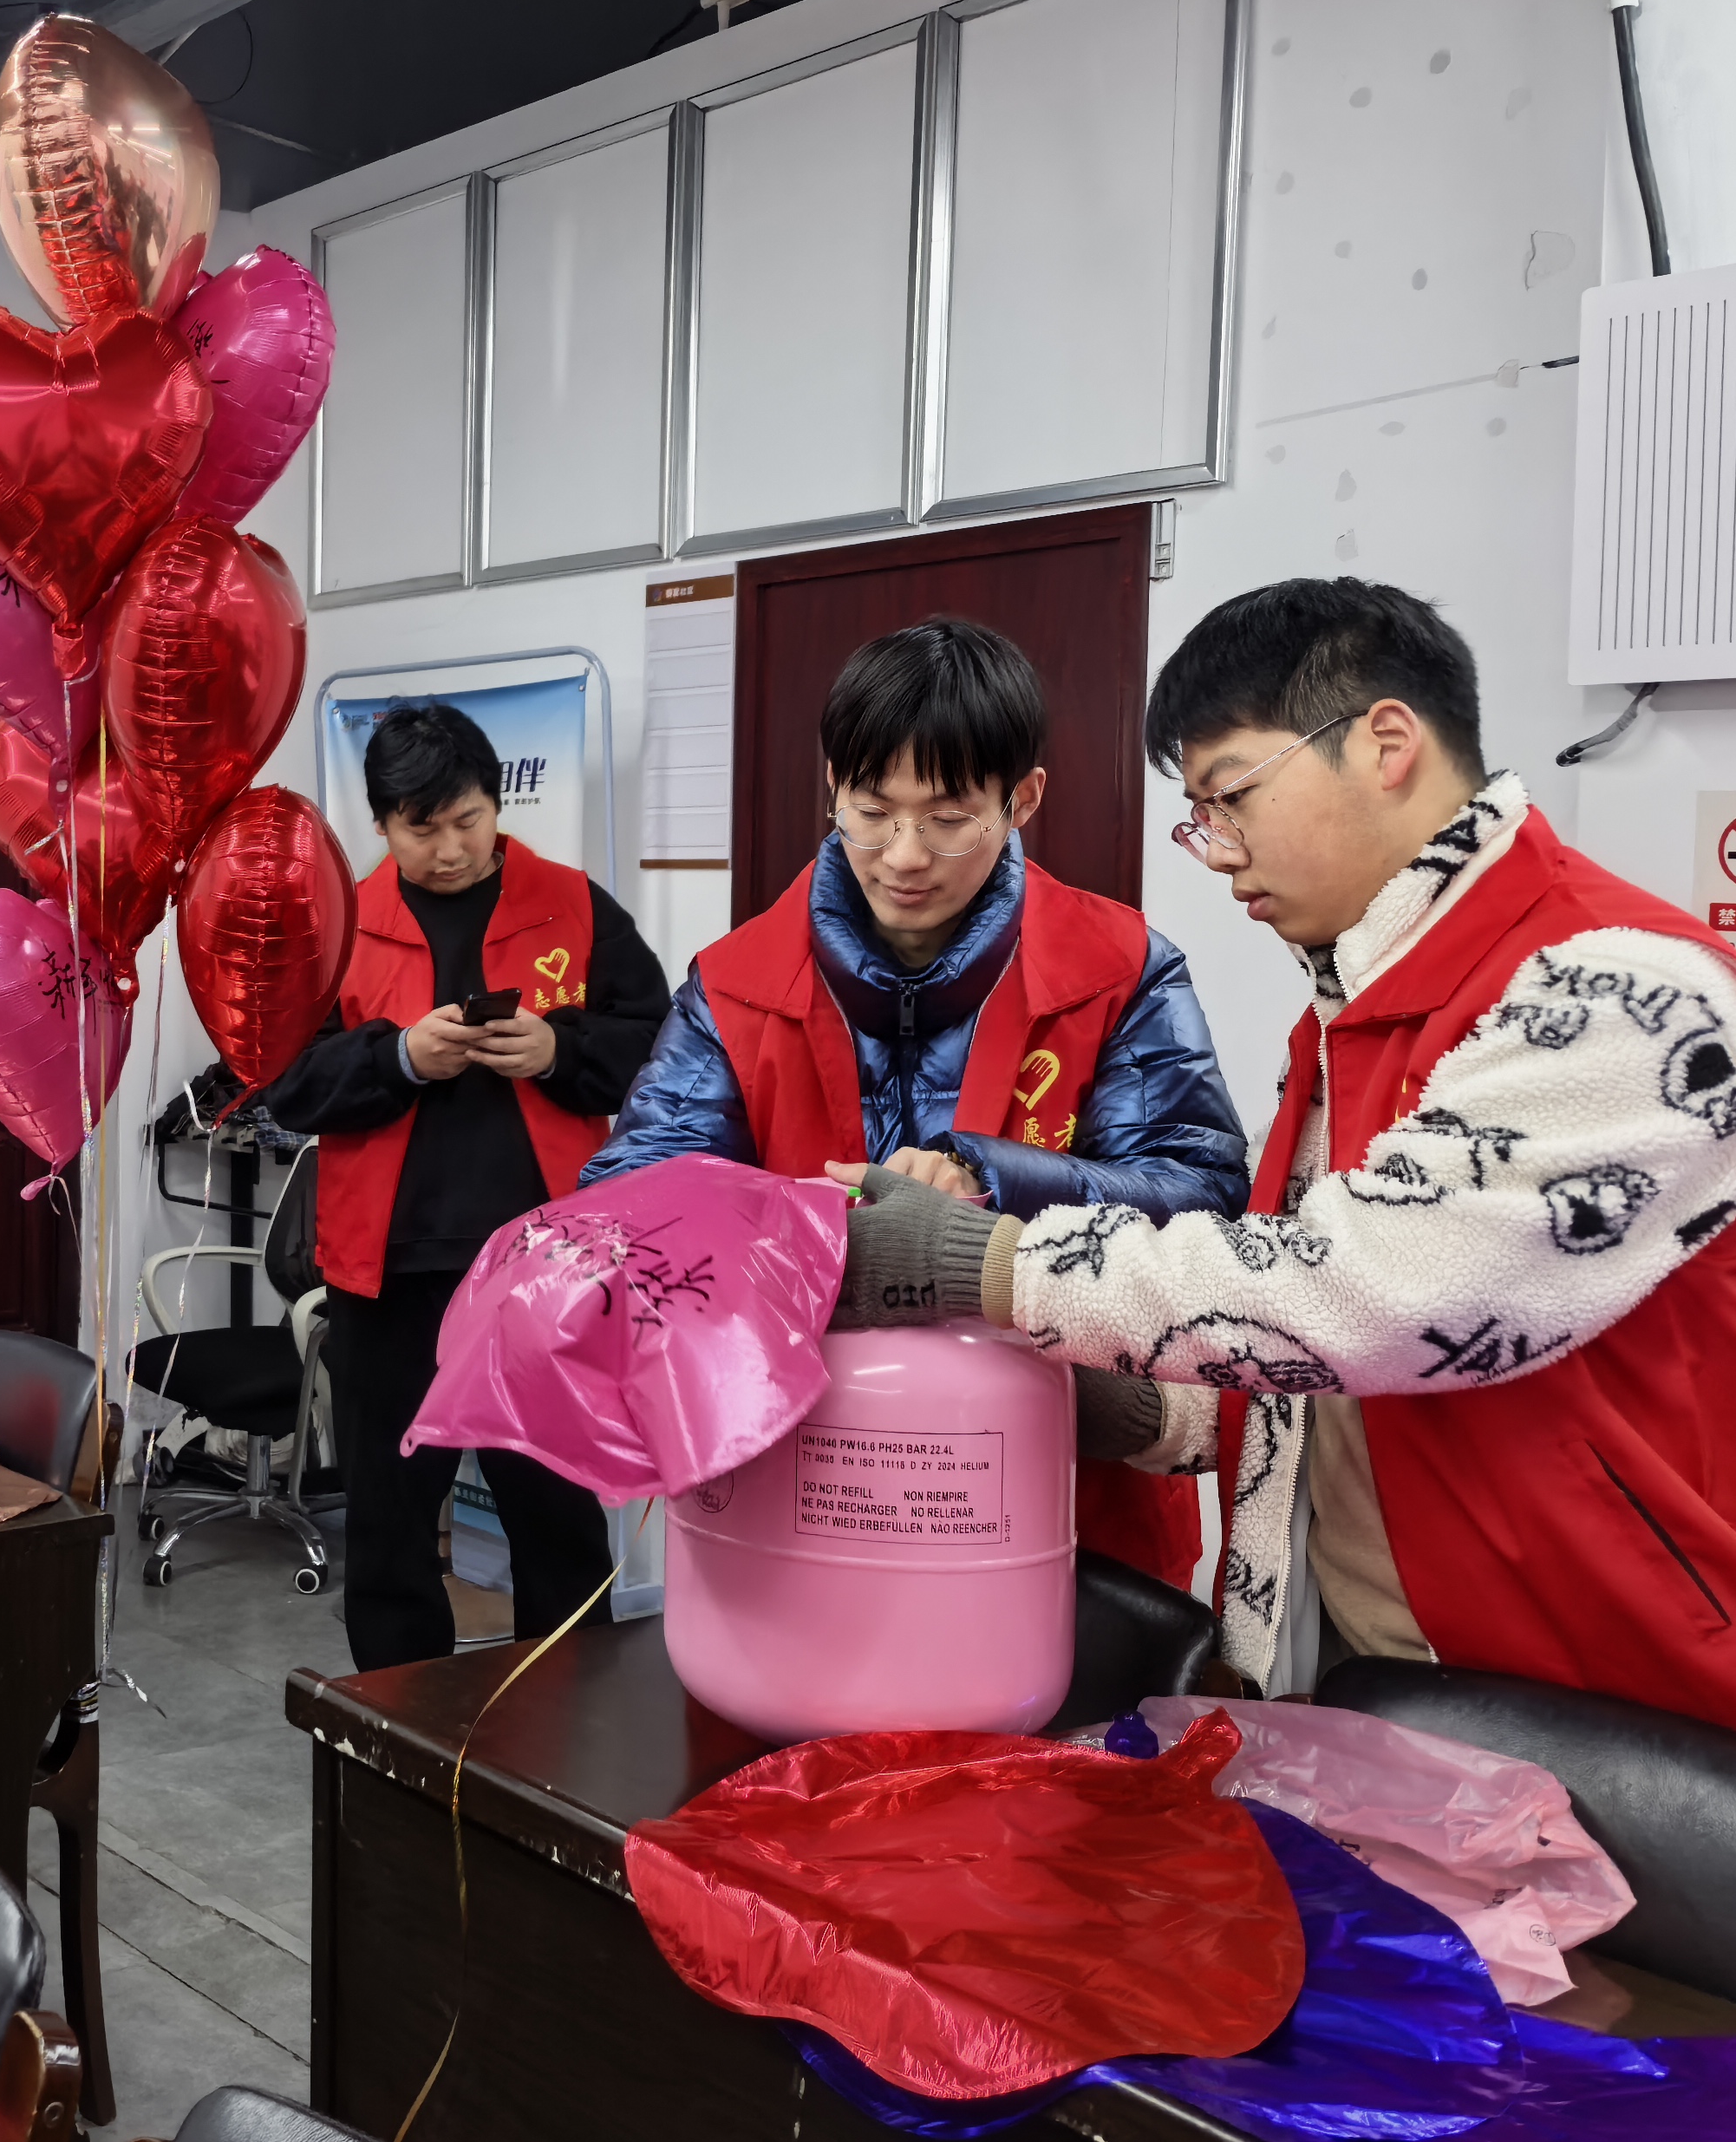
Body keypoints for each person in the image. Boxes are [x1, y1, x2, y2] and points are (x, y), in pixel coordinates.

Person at [832, 578, 1736, 1765]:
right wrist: (1122, 1403)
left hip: (1632, 1713)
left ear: (1387, 743)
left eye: (1232, 796)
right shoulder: (1352, 1016)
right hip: (1403, 1696)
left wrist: (975, 1262)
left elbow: (1380, 1292)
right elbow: (1314, 1364)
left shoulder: (1622, 993)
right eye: (1198, 814)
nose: (1217, 850)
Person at [584, 616, 1249, 1585]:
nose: (901, 855)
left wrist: (988, 1182)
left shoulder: (1119, 970)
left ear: (1022, 799)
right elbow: (630, 1204)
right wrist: (793, 1224)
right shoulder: (734, 984)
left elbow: (1201, 1203)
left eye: (946, 819)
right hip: (803, 1492)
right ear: (832, 787)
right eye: (870, 810)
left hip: (1068, 1504)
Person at [262, 702, 670, 1670]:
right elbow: (289, 1082)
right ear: (380, 823)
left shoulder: (573, 905)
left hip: (544, 1269)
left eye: (467, 820)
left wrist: (556, 1051)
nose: (449, 849)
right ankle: (400, 1720)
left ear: (496, 804)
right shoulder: (339, 923)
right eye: (421, 828)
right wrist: (400, 1058)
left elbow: (660, 1046)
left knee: (557, 1515)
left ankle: (564, 1720)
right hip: (388, 1275)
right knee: (390, 1525)